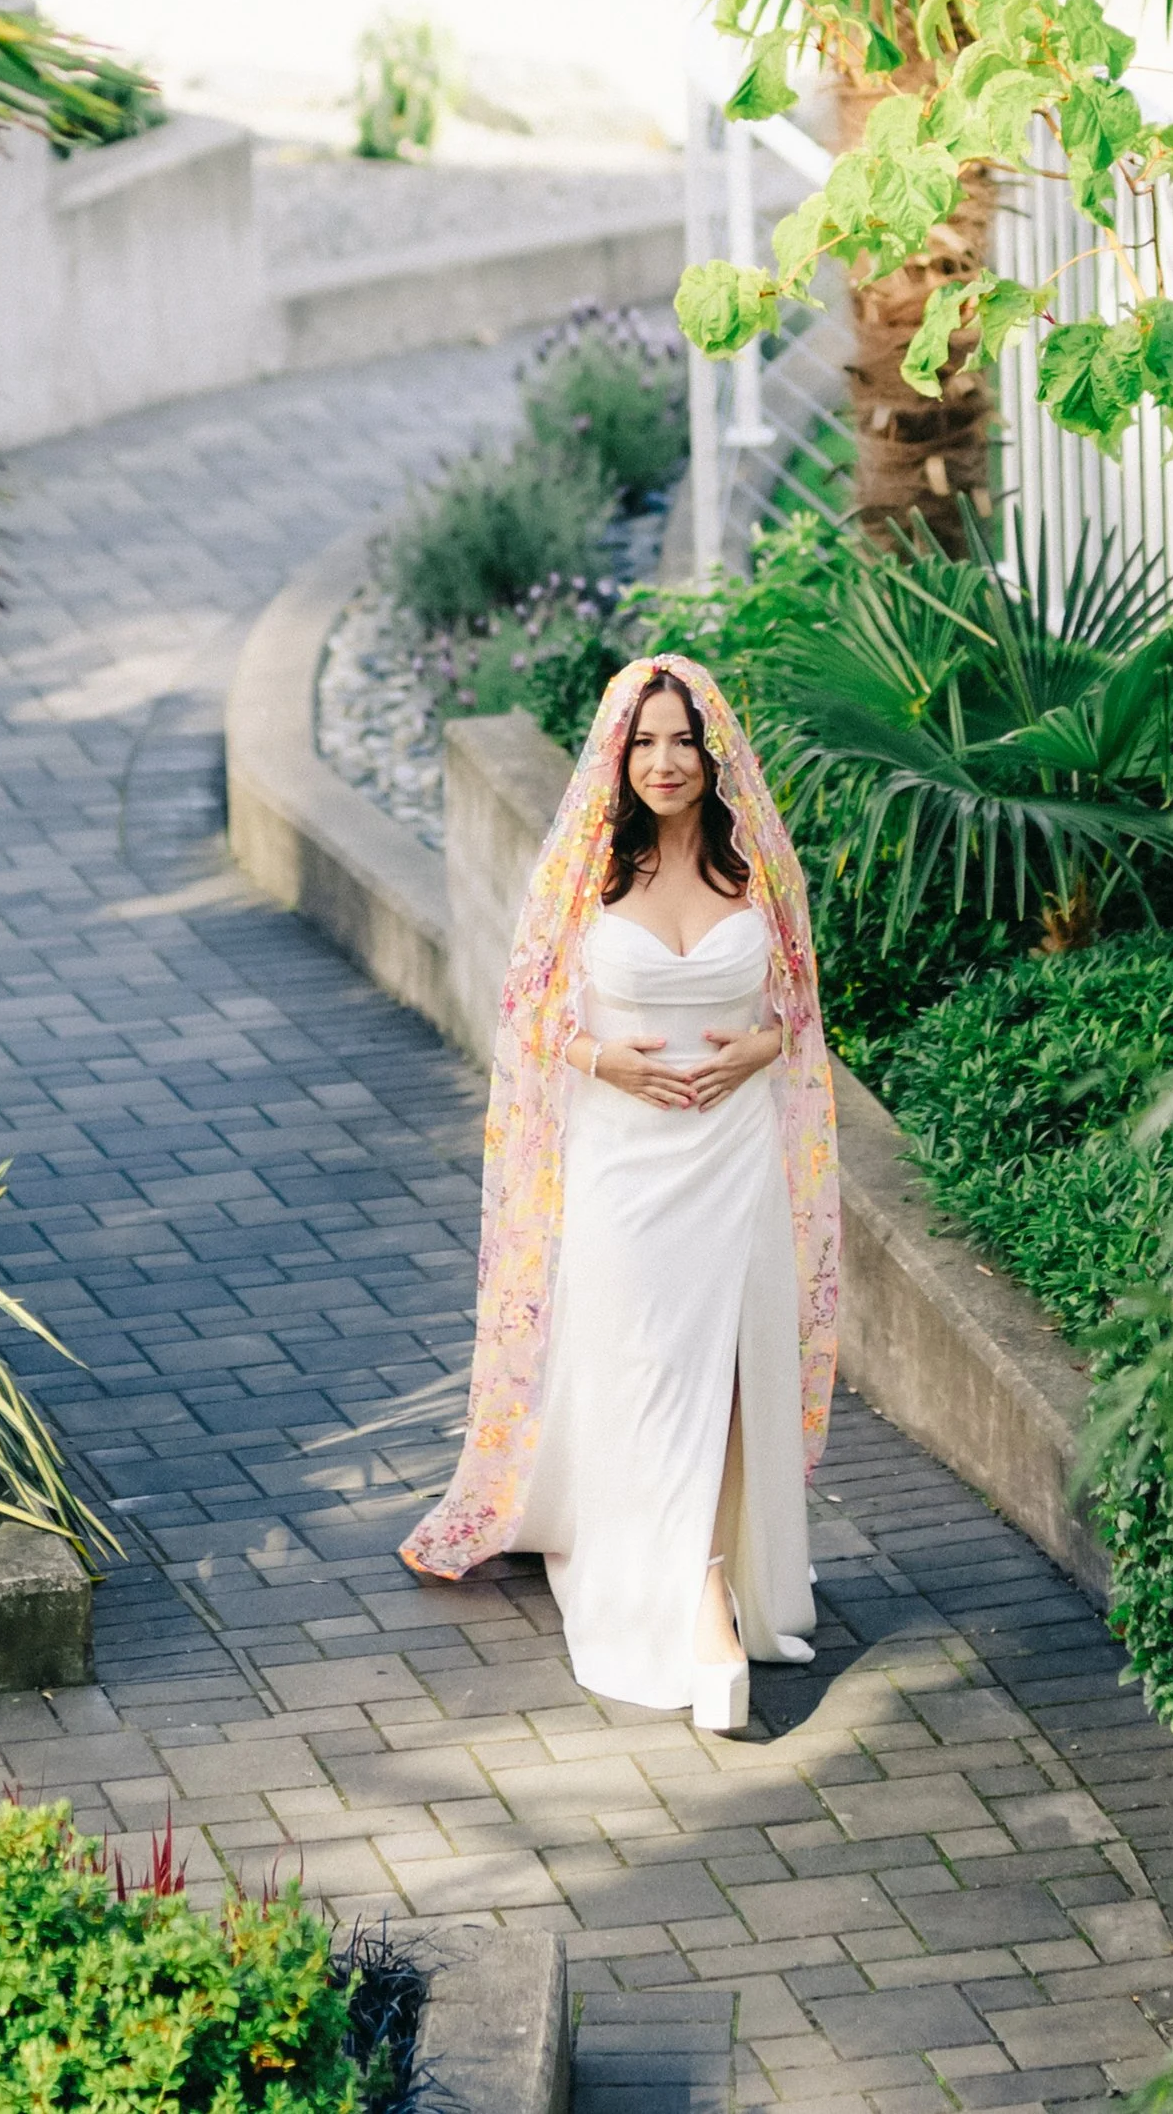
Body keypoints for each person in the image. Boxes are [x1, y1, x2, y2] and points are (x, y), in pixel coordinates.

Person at [401, 652, 839, 1732]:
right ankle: (676, 1588)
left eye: (680, 738)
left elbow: (806, 1005)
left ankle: (718, 1585)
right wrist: (610, 1060)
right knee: (648, 1369)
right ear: (617, 755)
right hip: (625, 1164)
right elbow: (527, 1016)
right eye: (643, 741)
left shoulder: (756, 874)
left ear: (711, 749)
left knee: (734, 1366)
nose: (663, 760)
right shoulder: (589, 874)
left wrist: (759, 1048)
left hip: (733, 1153)